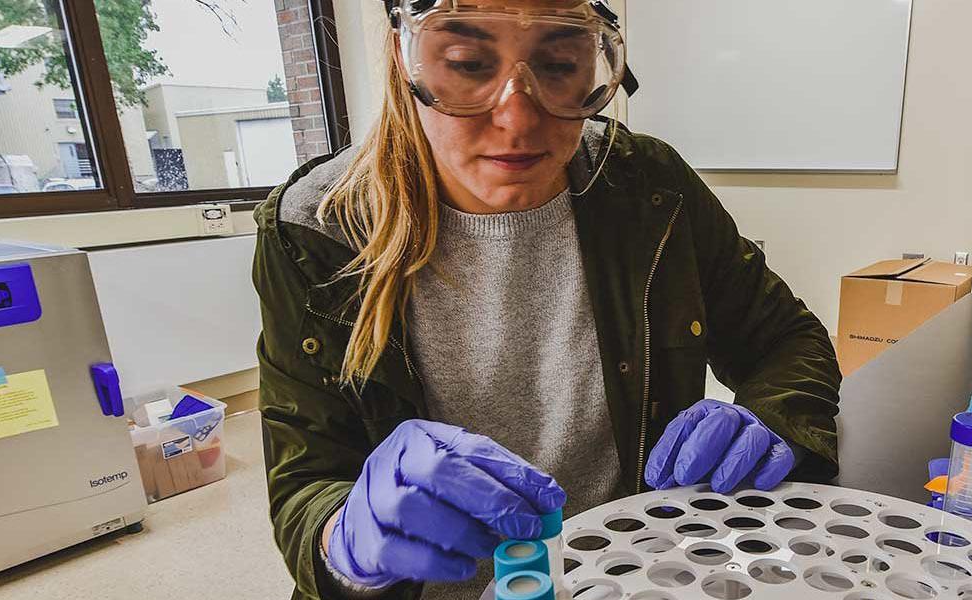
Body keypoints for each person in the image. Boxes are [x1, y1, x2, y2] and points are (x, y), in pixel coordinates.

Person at [251, 1, 840, 597]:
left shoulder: (648, 186)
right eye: (468, 62)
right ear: (405, 61)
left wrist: (770, 417)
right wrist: (347, 537)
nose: (518, 118)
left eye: (558, 64)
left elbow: (787, 339)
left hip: (629, 578)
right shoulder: (314, 230)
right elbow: (305, 485)